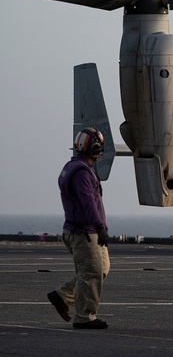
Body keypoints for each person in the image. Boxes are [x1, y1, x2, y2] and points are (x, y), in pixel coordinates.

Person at [47, 128, 111, 329]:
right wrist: (99, 225)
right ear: (94, 148)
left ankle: (62, 296)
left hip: (88, 229)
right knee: (91, 273)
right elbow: (88, 202)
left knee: (101, 269)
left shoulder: (76, 167)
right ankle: (85, 317)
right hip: (83, 231)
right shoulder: (82, 172)